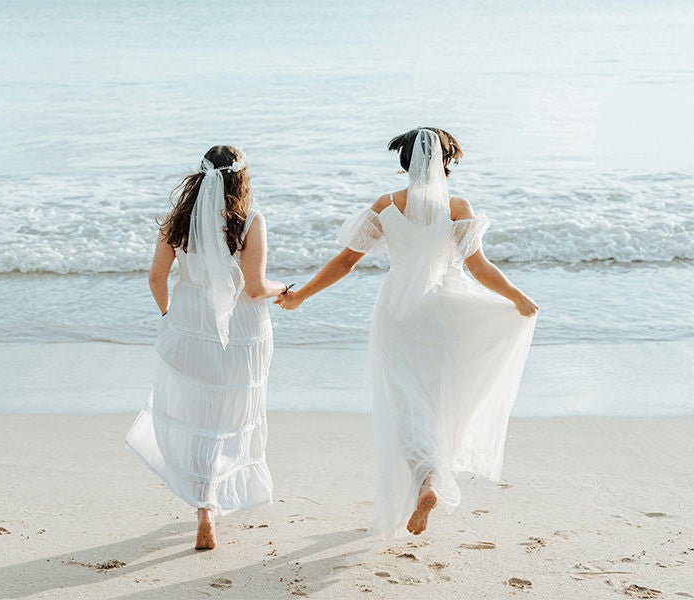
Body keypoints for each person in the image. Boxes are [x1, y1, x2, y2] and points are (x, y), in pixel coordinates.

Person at [276, 127, 537, 536]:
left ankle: (426, 475)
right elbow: (480, 268)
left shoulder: (387, 206)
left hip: (397, 313)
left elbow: (345, 262)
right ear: (446, 163)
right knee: (437, 398)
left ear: (405, 163)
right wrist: (517, 297)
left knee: (405, 404)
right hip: (445, 313)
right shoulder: (457, 207)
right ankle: (432, 476)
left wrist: (302, 295)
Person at [126, 145, 286, 550]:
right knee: (228, 421)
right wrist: (282, 288)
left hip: (189, 331)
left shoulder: (177, 222)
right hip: (241, 334)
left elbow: (156, 278)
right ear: (241, 179)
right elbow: (254, 287)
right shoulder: (249, 221)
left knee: (198, 419)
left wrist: (169, 317)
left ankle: (204, 509)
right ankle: (214, 501)